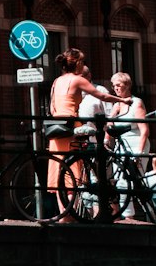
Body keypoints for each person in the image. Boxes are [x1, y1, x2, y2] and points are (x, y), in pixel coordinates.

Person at [47, 48, 114, 199]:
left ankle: (64, 216)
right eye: (82, 61)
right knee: (73, 172)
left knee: (59, 169)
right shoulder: (77, 79)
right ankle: (70, 214)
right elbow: (102, 95)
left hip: (56, 127)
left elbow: (52, 107)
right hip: (71, 126)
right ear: (77, 63)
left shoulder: (57, 81)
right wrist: (122, 100)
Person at [108, 70, 149, 220]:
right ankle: (128, 215)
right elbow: (108, 123)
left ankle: (147, 212)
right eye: (114, 86)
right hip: (122, 145)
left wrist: (139, 151)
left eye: (118, 85)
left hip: (136, 142)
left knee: (135, 180)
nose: (116, 89)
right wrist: (106, 139)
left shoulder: (136, 103)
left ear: (127, 85)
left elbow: (144, 130)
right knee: (120, 181)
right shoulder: (118, 104)